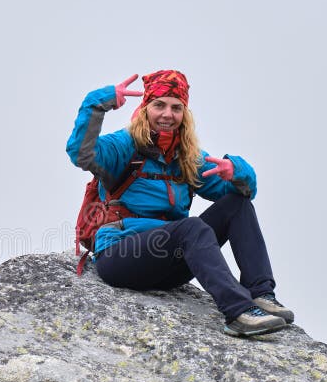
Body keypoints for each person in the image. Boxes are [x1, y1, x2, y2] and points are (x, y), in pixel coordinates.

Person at [66, 70, 294, 337]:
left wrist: (239, 172)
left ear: (184, 113)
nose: (167, 114)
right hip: (121, 255)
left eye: (176, 108)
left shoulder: (188, 157)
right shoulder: (124, 145)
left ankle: (261, 293)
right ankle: (238, 313)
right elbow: (80, 153)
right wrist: (98, 102)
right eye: (159, 105)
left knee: (237, 205)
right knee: (192, 227)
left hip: (167, 263)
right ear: (145, 108)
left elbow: (243, 194)